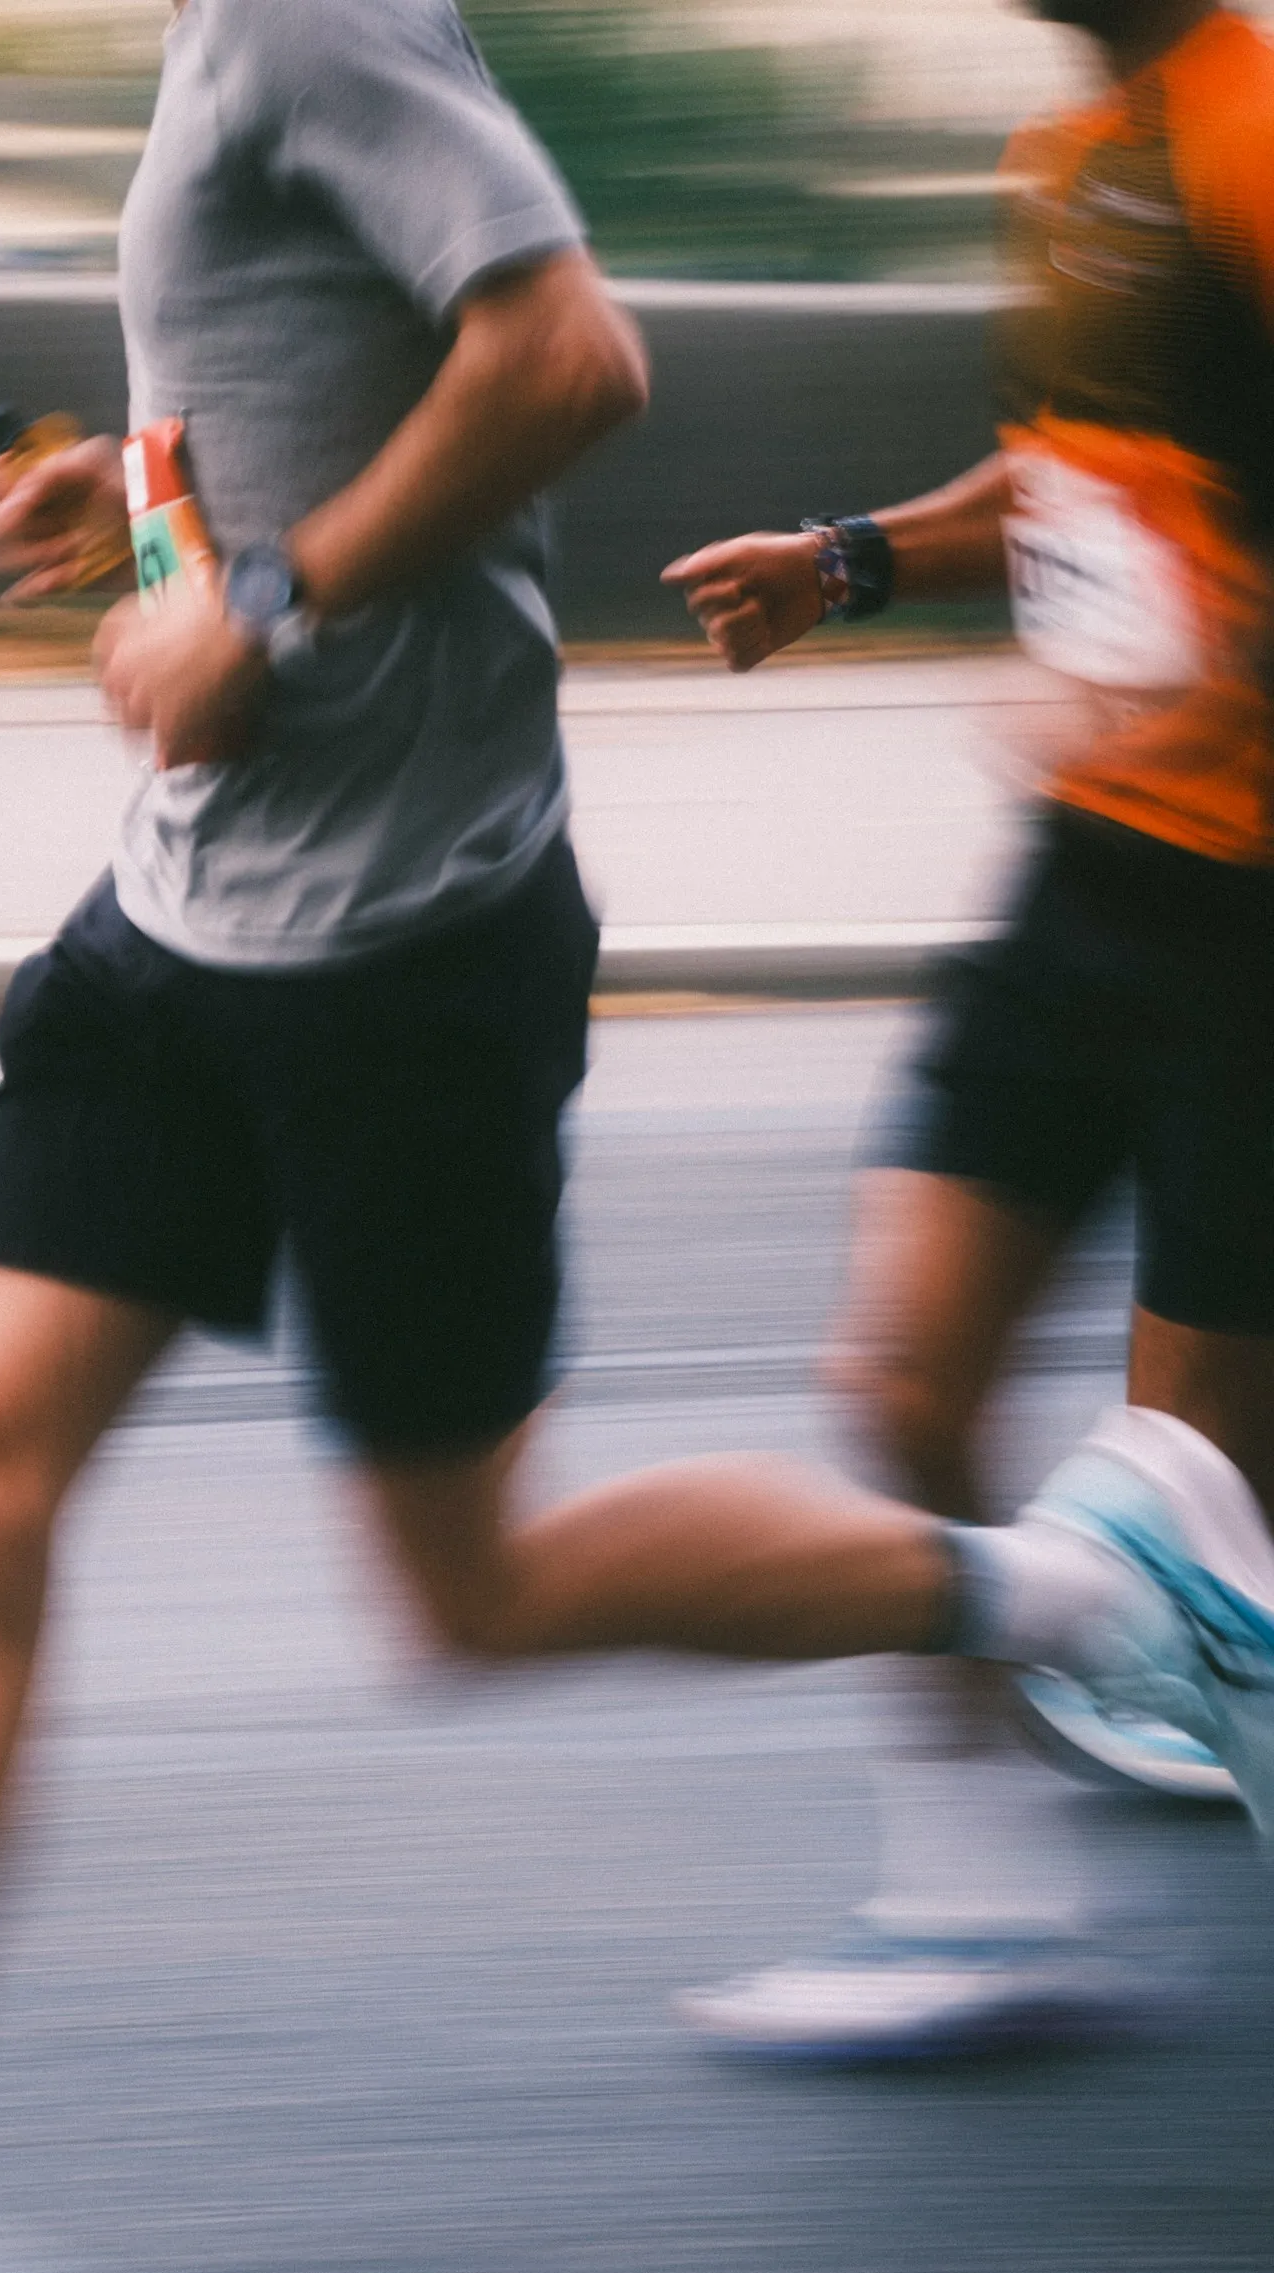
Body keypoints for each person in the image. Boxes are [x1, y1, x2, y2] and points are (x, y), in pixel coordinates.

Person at [0, 0, 1274, 2273]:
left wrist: (261, 602)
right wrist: (146, 519)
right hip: (178, 926)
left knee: (473, 1591)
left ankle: (1080, 1585)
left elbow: (564, 353)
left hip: (398, 955)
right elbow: (360, 370)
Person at [661, 0, 1274, 2063]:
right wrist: (855, 561)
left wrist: (1203, 687)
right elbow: (1072, 474)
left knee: (1187, 1525)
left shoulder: (1256, 133)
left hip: (1249, 925)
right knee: (900, 1377)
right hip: (1083, 881)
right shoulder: (1078, 154)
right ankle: (986, 1907)